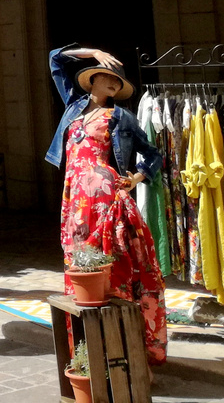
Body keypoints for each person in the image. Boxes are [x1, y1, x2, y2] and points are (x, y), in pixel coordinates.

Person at [50, 47, 166, 364]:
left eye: (119, 81)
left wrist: (137, 178)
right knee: (78, 261)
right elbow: (56, 60)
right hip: (74, 196)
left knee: (110, 263)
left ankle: (120, 349)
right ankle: (87, 350)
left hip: (105, 196)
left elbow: (154, 155)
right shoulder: (73, 105)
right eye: (109, 77)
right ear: (94, 78)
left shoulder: (121, 117)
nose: (114, 84)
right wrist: (93, 52)